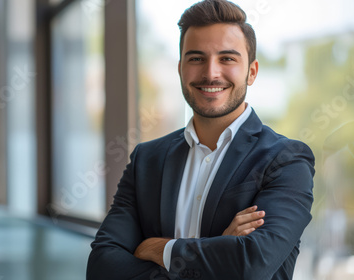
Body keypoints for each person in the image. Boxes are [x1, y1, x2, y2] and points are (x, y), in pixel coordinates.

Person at [87, 0, 315, 279]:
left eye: (227, 58)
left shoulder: (286, 160)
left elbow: (253, 263)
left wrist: (159, 249)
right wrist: (217, 248)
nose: (211, 73)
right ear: (180, 68)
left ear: (252, 71)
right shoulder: (147, 159)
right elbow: (101, 267)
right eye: (196, 58)